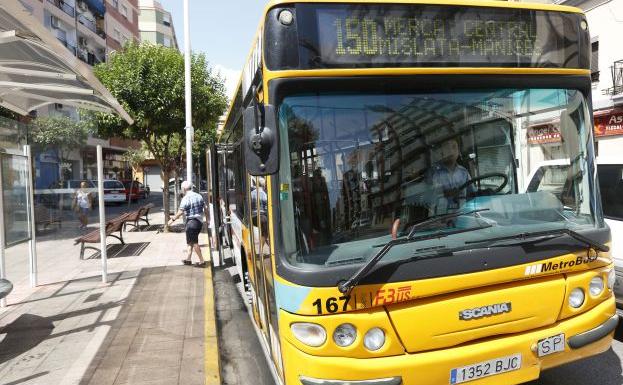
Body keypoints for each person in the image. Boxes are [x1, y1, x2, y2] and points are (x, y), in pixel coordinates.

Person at [168, 181, 207, 267]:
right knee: (190, 242)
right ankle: (188, 259)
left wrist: (172, 220)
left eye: (181, 189)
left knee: (194, 242)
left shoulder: (185, 198)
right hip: (199, 222)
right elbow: (205, 208)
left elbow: (180, 212)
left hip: (192, 223)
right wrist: (208, 220)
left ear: (184, 189)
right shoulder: (199, 196)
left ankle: (202, 261)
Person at [430, 137, 474, 212]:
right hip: (440, 218)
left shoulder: (464, 172)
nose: (451, 151)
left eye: (454, 147)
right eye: (447, 148)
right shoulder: (433, 172)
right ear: (441, 151)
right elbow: (429, 197)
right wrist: (445, 193)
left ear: (459, 151)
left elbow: (472, 195)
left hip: (463, 216)